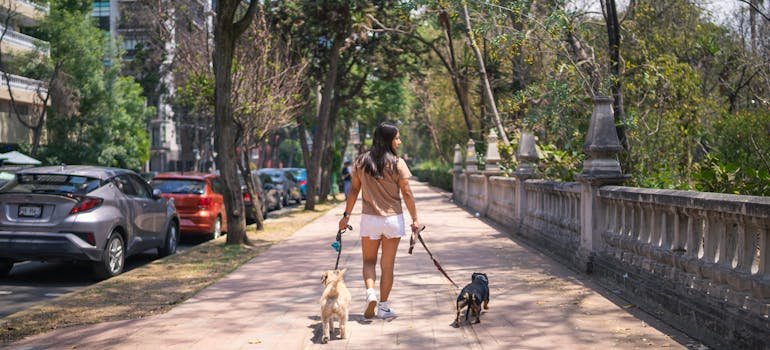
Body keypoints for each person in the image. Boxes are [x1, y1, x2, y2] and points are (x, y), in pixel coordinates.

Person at [338, 122, 419, 319]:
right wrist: (415, 219)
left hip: (369, 219)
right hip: (393, 219)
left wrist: (345, 216)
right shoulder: (398, 163)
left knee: (368, 261)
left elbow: (354, 190)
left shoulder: (361, 161)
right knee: (387, 265)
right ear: (388, 139)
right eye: (396, 138)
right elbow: (407, 192)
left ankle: (370, 293)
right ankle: (383, 307)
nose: (399, 142)